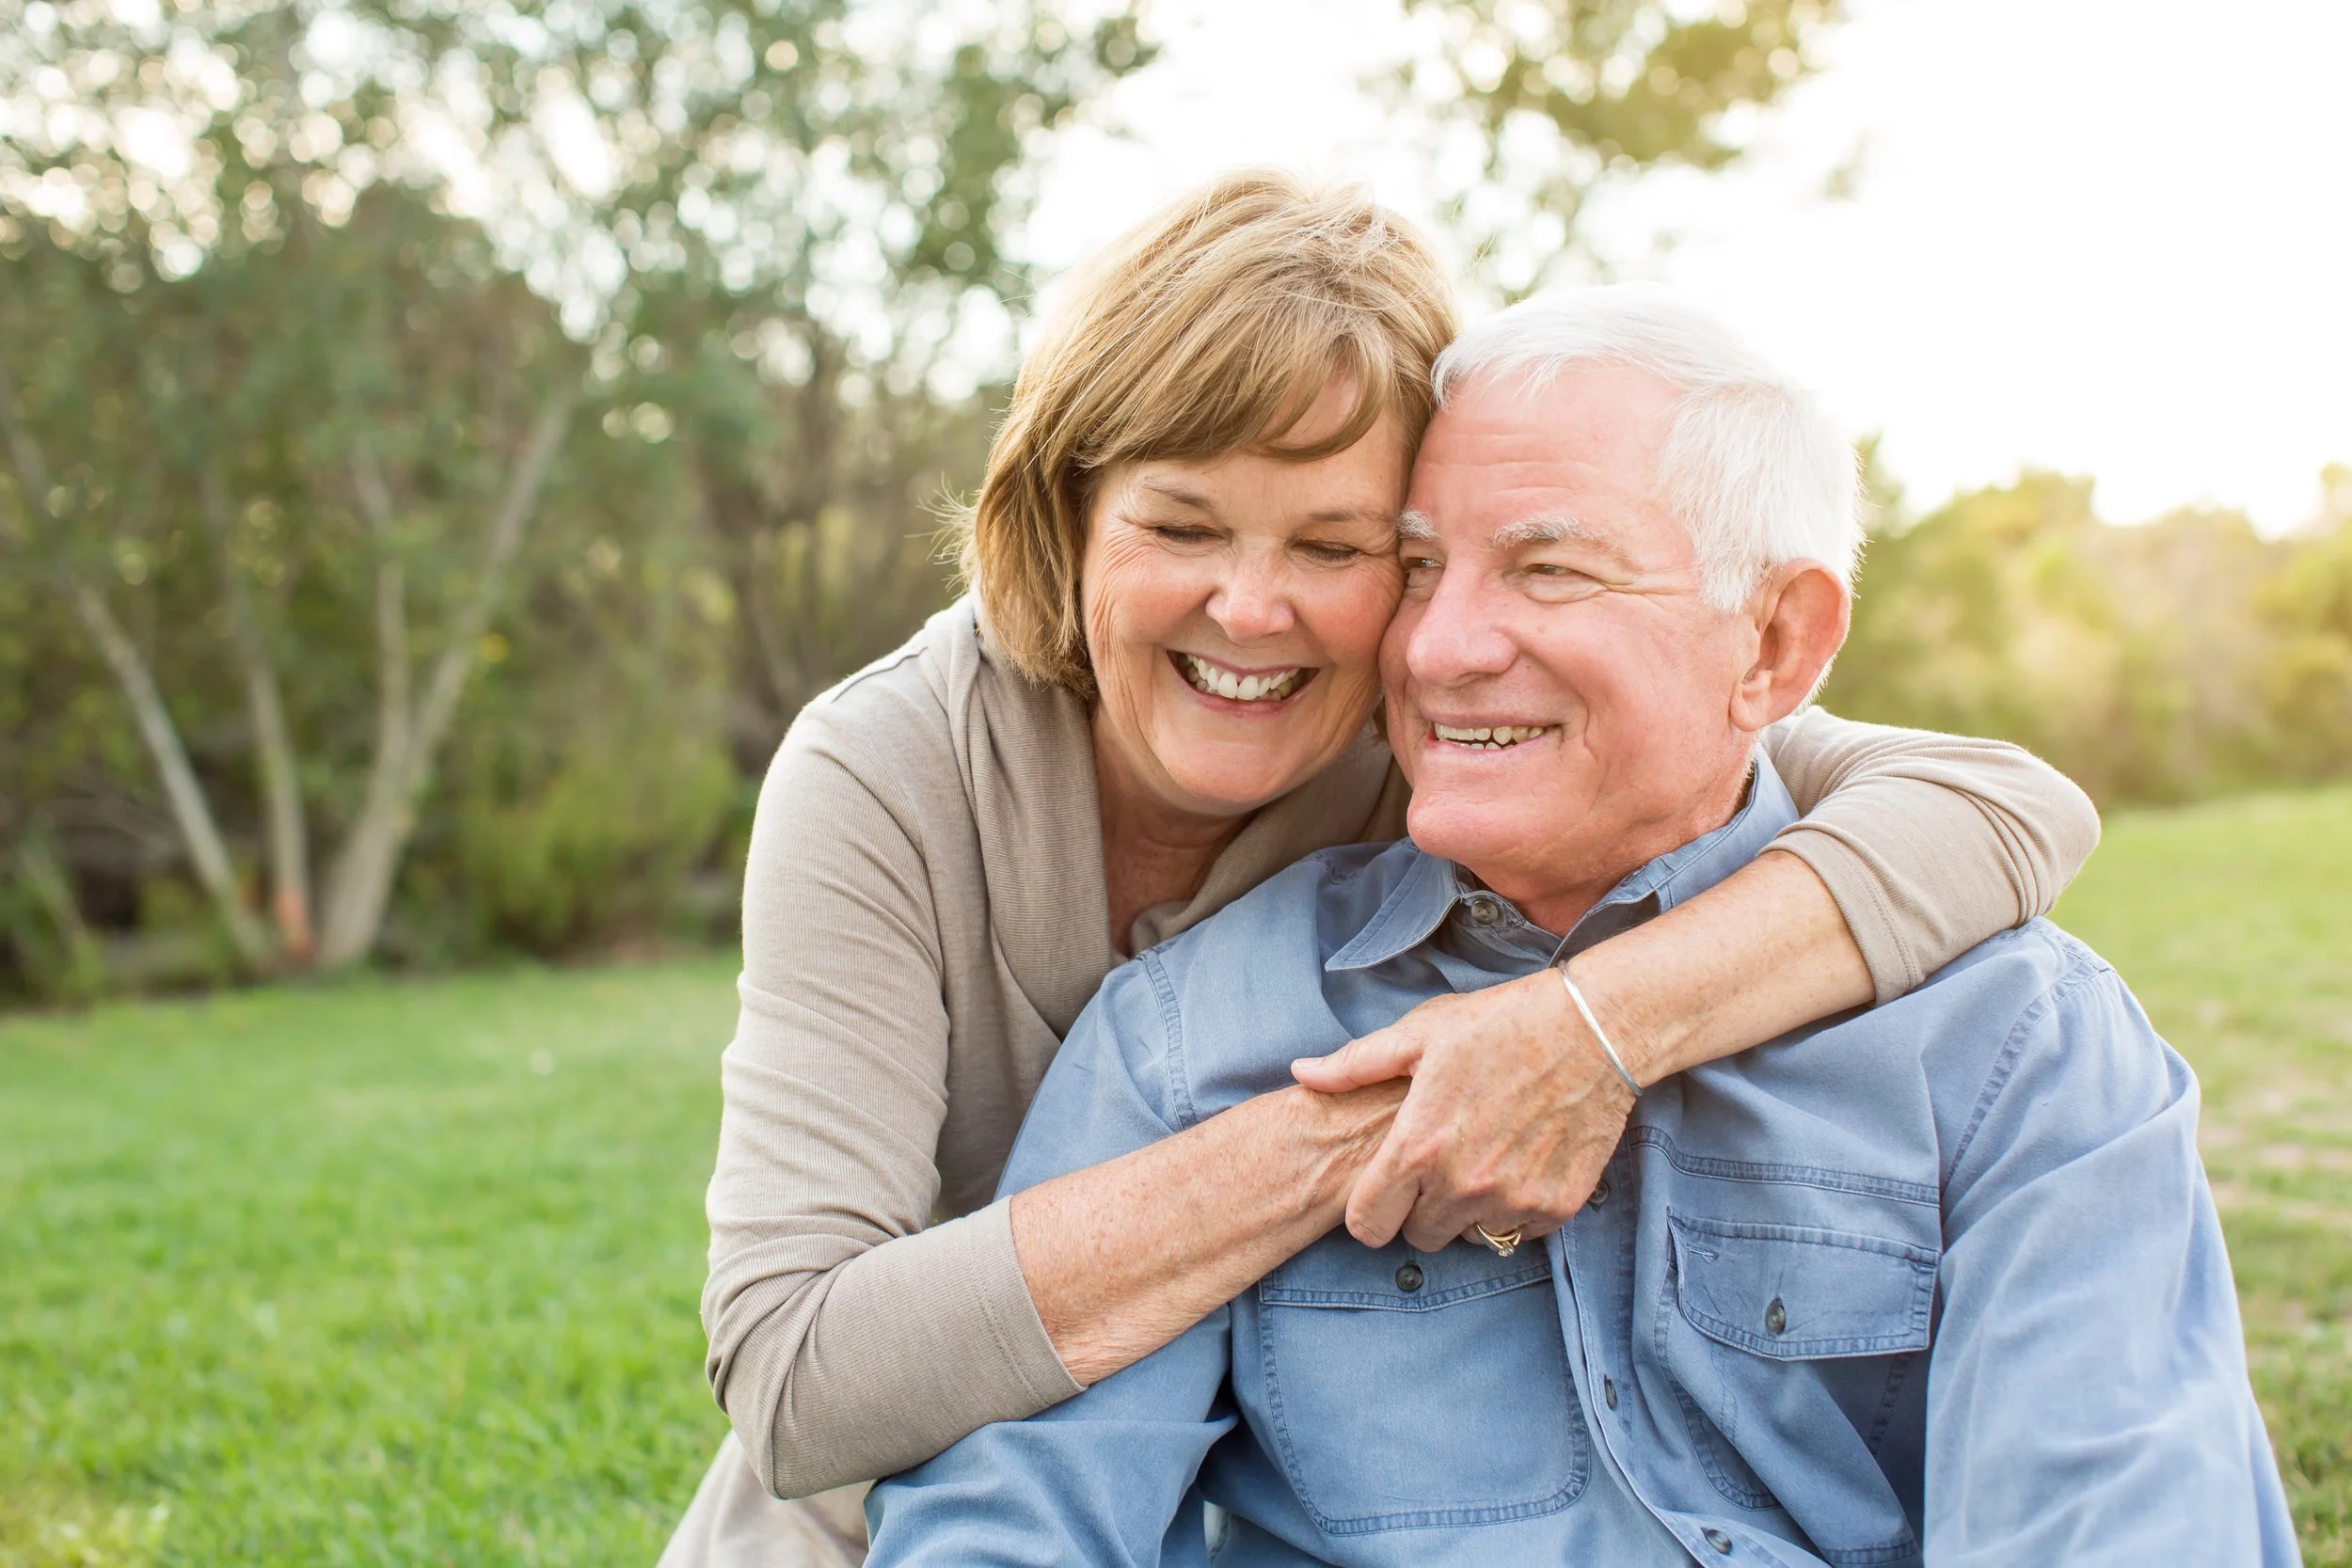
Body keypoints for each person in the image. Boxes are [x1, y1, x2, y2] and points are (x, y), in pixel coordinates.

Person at [660, 174, 2104, 1567]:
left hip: (1251, 1426)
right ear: (1069, 514)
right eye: (1179, 524)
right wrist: (1403, 1110)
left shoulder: (1452, 731)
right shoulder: (888, 771)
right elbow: (798, 1376)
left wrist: (1583, 1030)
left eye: (1339, 545)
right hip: (888, 1476)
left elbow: (1996, 802)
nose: (1252, 606)